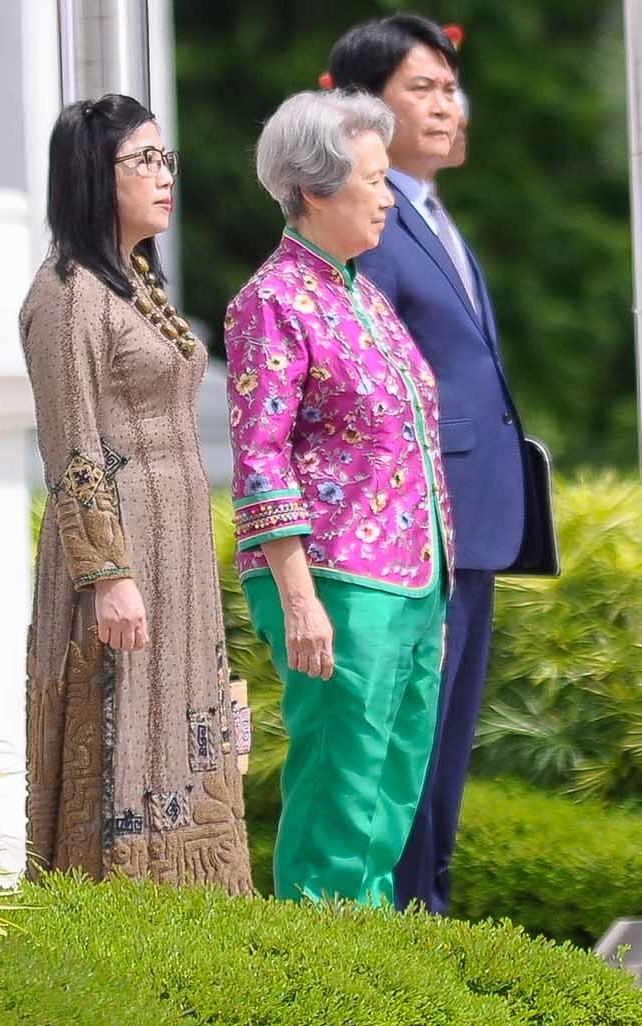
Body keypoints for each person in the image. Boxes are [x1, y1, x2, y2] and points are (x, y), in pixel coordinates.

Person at [18, 95, 252, 893]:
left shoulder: (132, 280)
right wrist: (107, 576)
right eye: (142, 160)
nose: (163, 176)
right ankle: (118, 929)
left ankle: (198, 916)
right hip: (118, 560)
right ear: (92, 174)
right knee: (120, 736)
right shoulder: (68, 295)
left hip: (175, 545)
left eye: (165, 159)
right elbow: (73, 444)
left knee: (183, 733)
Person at [226, 89, 452, 905]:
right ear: (316, 189)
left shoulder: (367, 297)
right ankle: (324, 971)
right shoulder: (272, 300)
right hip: (337, 582)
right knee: (340, 793)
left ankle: (374, 965)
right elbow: (258, 457)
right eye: (374, 178)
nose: (390, 196)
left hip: (415, 581)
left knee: (391, 792)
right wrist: (299, 599)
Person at [327, 15, 527, 915]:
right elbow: (363, 386)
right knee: (407, 741)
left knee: (446, 745)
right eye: (425, 89)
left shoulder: (434, 217)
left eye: (452, 88)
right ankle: (409, 927)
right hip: (410, 527)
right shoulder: (369, 223)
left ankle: (432, 916)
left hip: (472, 520)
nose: (450, 106)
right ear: (368, 108)